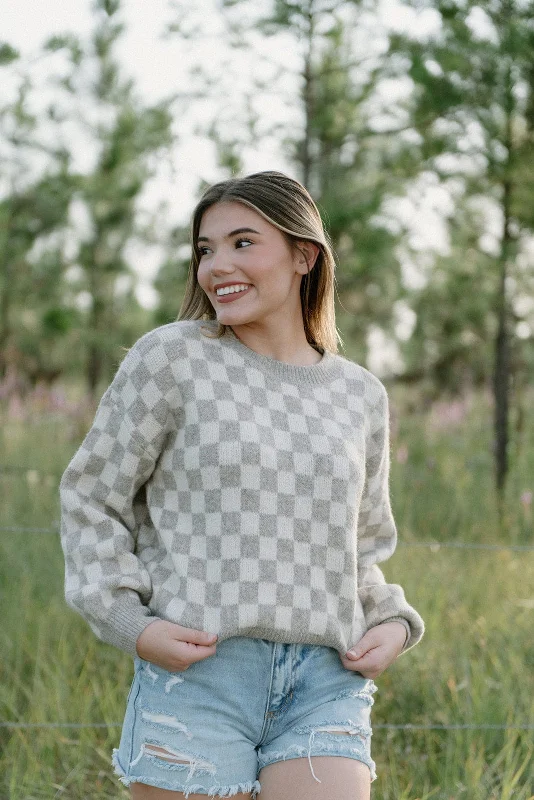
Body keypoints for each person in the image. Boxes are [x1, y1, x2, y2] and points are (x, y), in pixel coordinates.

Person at [59, 170, 425, 800]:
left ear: (304, 255)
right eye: (205, 249)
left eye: (243, 243)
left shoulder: (360, 394)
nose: (217, 266)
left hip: (325, 679)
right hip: (201, 674)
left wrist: (389, 621)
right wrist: (130, 621)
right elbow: (93, 496)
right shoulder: (171, 360)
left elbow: (361, 546)